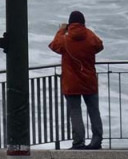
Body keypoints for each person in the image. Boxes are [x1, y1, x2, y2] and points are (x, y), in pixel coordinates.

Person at [48, 10, 104, 150]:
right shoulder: (90, 36)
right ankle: (96, 140)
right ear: (83, 22)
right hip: (89, 80)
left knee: (75, 111)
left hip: (71, 82)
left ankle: (78, 142)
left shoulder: (65, 39)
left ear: (70, 24)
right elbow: (99, 46)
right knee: (93, 110)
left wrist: (61, 30)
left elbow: (54, 45)